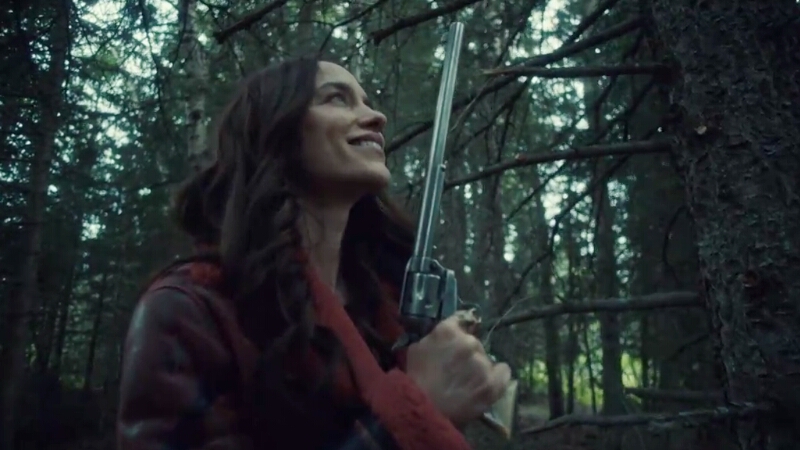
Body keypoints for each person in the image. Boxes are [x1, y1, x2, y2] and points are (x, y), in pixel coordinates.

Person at [116, 56, 512, 450]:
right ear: (274, 130)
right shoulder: (189, 312)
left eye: (368, 101)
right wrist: (416, 413)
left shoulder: (382, 310)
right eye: (337, 98)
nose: (376, 117)